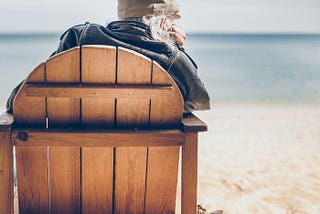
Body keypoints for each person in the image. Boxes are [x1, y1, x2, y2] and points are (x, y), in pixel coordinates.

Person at [6, 0, 210, 113]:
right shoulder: (171, 57)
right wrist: (175, 47)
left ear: (122, 13)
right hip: (141, 177)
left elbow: (17, 101)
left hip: (72, 172)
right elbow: (197, 102)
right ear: (164, 23)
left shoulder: (79, 38)